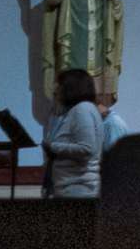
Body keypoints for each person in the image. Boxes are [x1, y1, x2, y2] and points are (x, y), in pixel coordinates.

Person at [44, 68, 104, 200]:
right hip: (71, 189)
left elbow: (87, 148)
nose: (56, 90)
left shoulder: (82, 110)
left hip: (78, 190)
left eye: (59, 85)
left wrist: (53, 147)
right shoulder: (78, 110)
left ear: (70, 88)